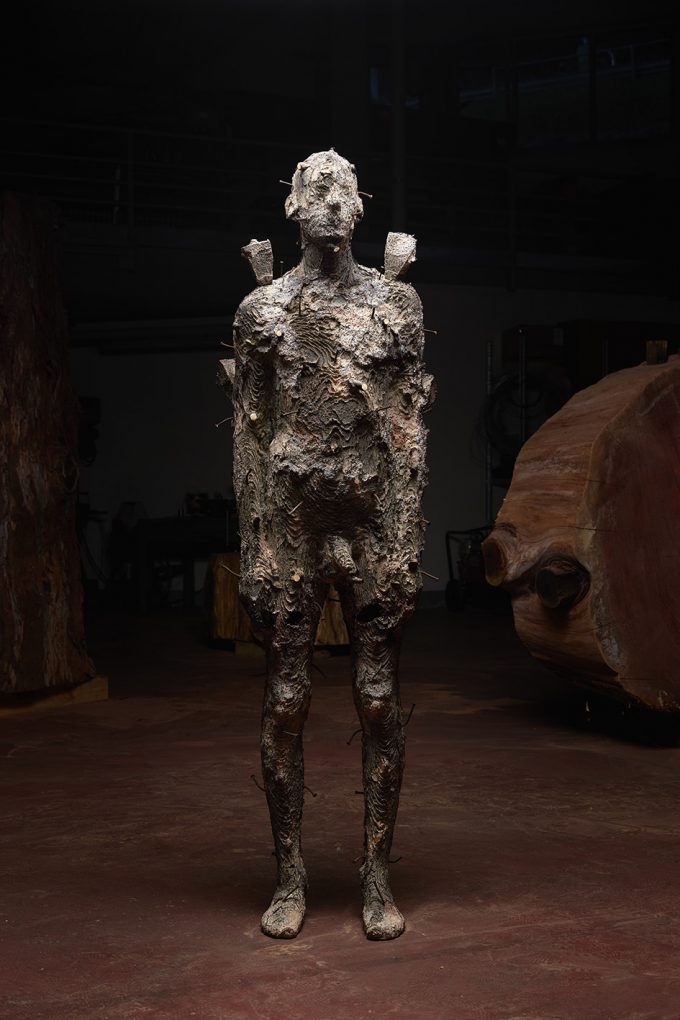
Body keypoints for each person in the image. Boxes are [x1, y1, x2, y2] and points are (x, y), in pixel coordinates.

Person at [229, 149, 433, 940]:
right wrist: (254, 542)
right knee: (286, 701)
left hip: (373, 519)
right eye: (316, 190)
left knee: (377, 698)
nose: (331, 200)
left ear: (360, 208)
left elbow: (409, 426)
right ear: (292, 209)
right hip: (291, 523)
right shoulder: (264, 312)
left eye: (344, 190)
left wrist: (405, 539)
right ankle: (289, 876)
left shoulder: (395, 306)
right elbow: (249, 434)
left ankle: (376, 874)